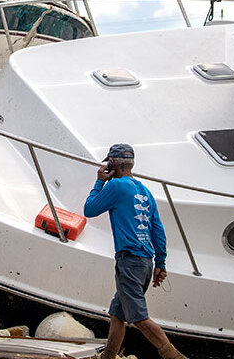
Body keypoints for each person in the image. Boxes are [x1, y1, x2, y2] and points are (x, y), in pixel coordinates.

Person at [83, 143, 186, 359]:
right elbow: (158, 229)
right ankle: (108, 356)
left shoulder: (117, 186)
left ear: (112, 164)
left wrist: (99, 182)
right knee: (118, 313)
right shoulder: (145, 191)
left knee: (139, 317)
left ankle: (174, 356)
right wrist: (161, 263)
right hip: (145, 261)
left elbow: (89, 209)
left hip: (129, 260)